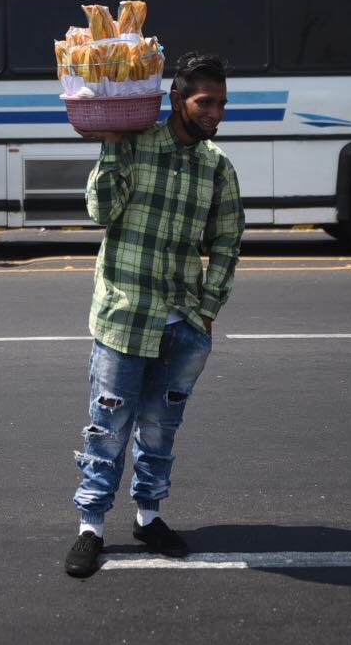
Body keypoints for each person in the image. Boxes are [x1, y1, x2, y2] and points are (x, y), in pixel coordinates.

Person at [64, 52, 245, 579]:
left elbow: (229, 242)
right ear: (176, 99)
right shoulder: (135, 146)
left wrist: (207, 309)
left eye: (222, 103)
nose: (215, 112)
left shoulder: (216, 166)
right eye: (204, 101)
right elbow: (100, 212)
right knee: (108, 425)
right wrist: (112, 145)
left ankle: (149, 515)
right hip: (125, 316)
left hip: (183, 322)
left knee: (162, 427)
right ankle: (91, 527)